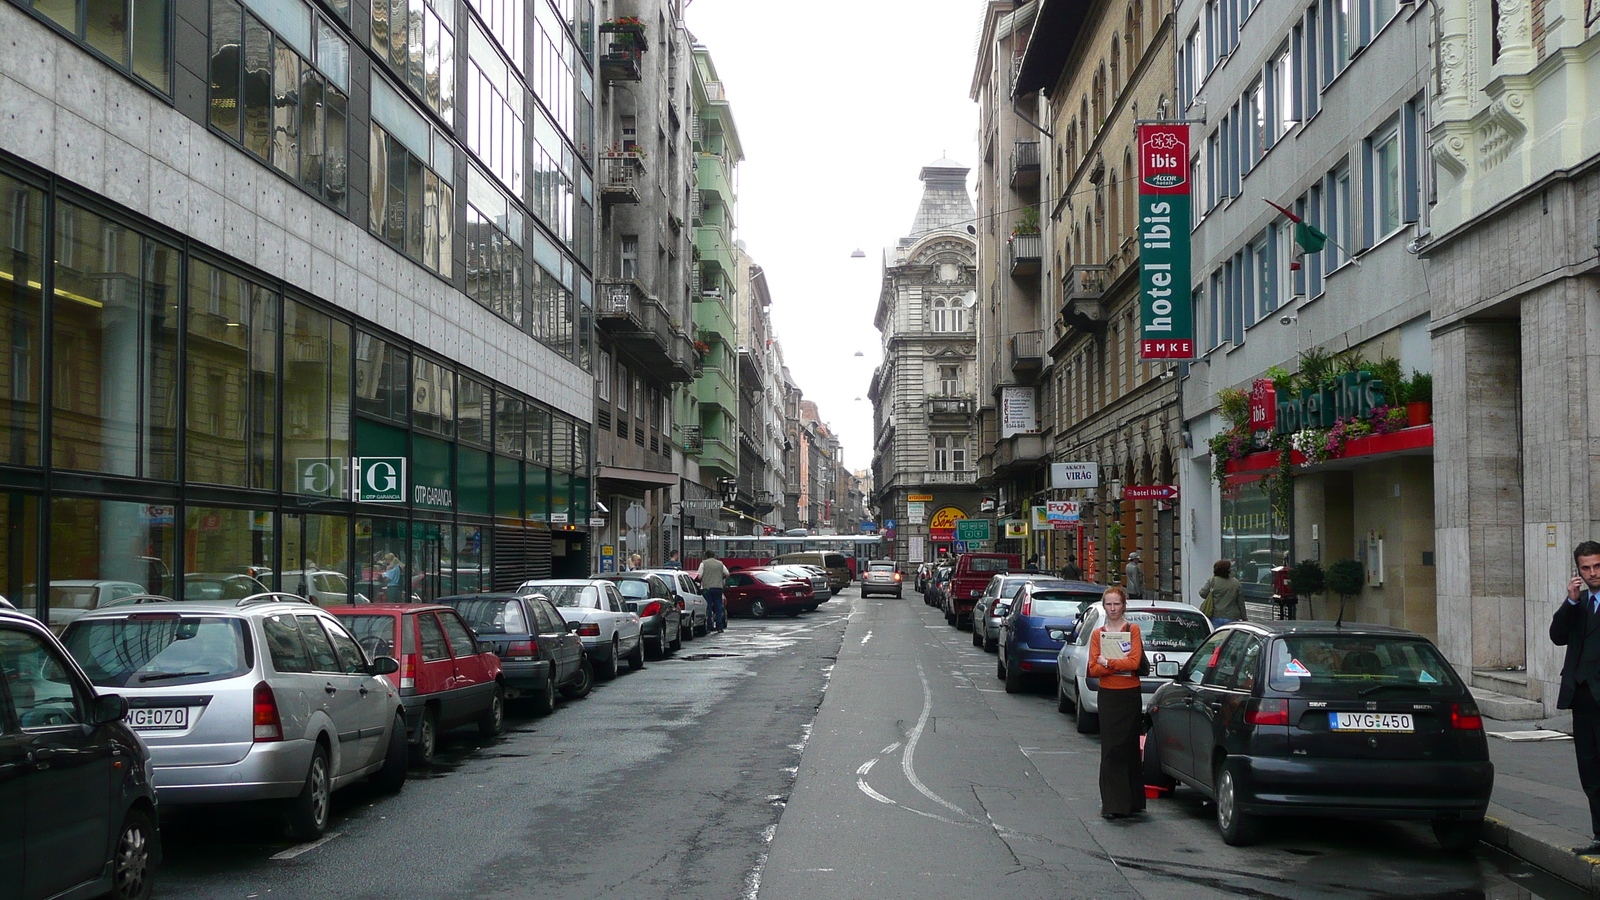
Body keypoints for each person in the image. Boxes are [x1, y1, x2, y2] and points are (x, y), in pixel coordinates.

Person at [1551, 540, 1600, 855]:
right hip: (1581, 699)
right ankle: (1599, 836)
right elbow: (1557, 636)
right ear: (1578, 570)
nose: (1593, 573)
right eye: (1586, 568)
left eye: (1597, 566)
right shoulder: (1578, 602)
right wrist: (1569, 602)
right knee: (1590, 770)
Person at [1087, 585, 1144, 819]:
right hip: (1109, 696)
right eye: (1109, 604)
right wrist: (1114, 664)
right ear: (1104, 605)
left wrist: (1109, 663)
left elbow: (1134, 663)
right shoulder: (1097, 634)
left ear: (1124, 605)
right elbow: (1092, 668)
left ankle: (1132, 802)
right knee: (1111, 749)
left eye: (1116, 604)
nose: (1112, 608)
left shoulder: (1133, 629)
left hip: (1130, 694)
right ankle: (1113, 804)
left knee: (1129, 747)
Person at [1198, 559, 1245, 624]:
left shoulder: (1212, 581)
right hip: (1232, 617)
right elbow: (1241, 603)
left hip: (1215, 615)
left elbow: (1202, 593)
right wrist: (1244, 618)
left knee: (1216, 633)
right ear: (1229, 570)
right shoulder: (1236, 583)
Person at [698, 551, 729, 632]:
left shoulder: (703, 564)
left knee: (708, 607)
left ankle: (709, 627)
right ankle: (719, 627)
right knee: (718, 607)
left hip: (707, 588)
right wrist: (721, 579)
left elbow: (699, 576)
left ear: (706, 556)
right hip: (718, 587)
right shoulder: (720, 563)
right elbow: (727, 574)